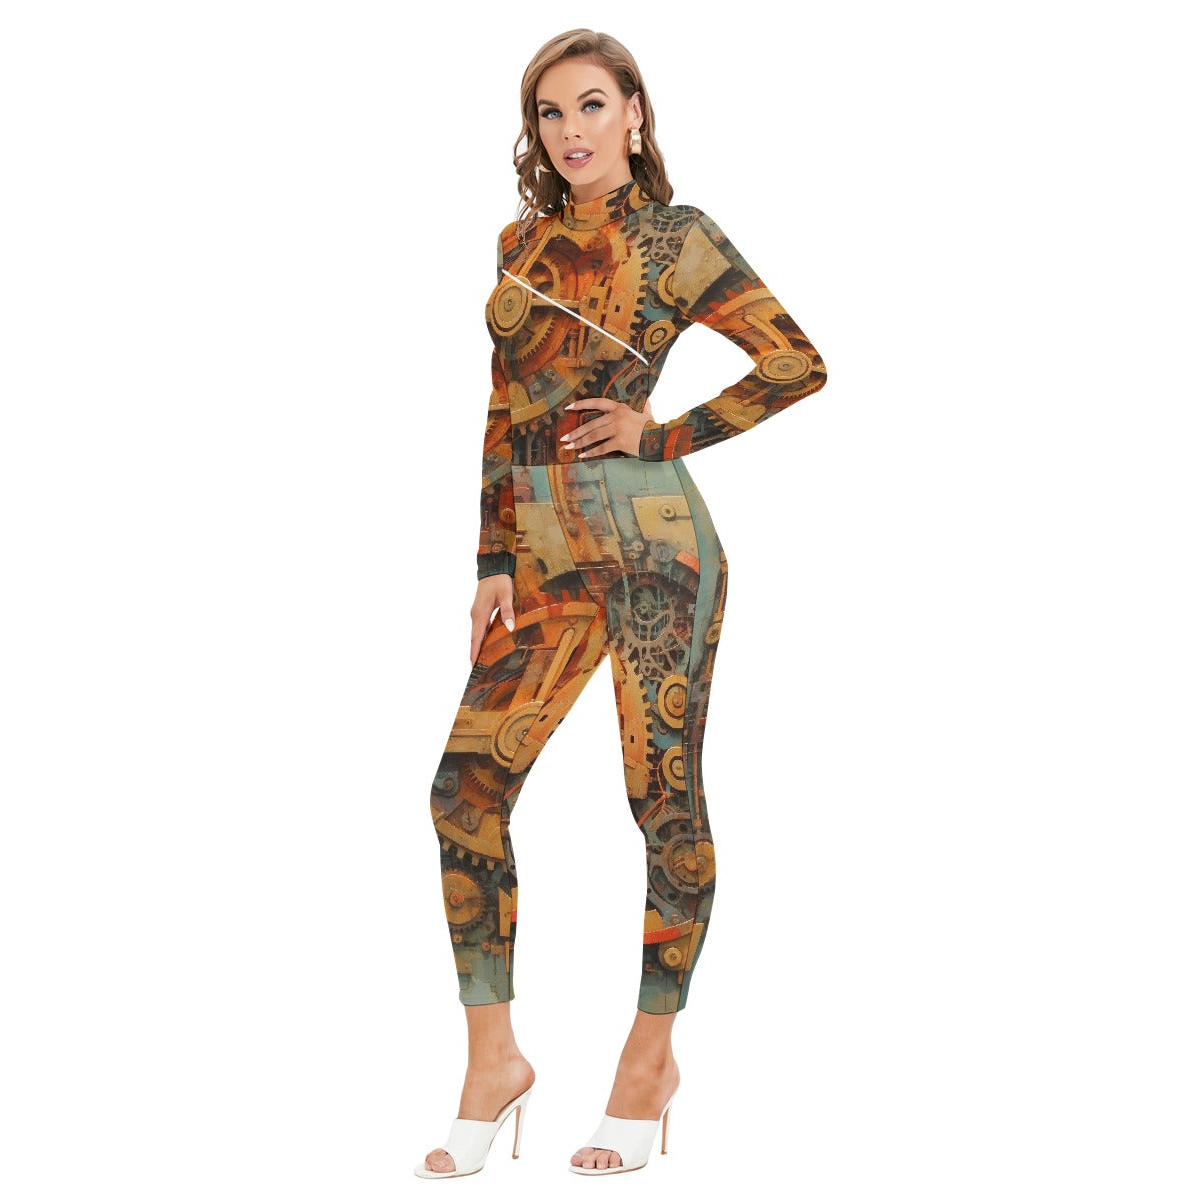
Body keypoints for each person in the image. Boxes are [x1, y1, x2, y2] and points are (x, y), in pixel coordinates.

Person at [415, 28, 827, 1178]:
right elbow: (504, 409)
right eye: (550, 114)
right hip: (542, 558)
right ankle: (493, 1062)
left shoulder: (677, 237)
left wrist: (664, 434)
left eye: (592, 105)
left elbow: (796, 363)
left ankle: (649, 1062)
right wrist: (492, 559)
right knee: (463, 792)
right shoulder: (522, 243)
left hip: (654, 552)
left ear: (635, 113)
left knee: (660, 798)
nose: (572, 131)